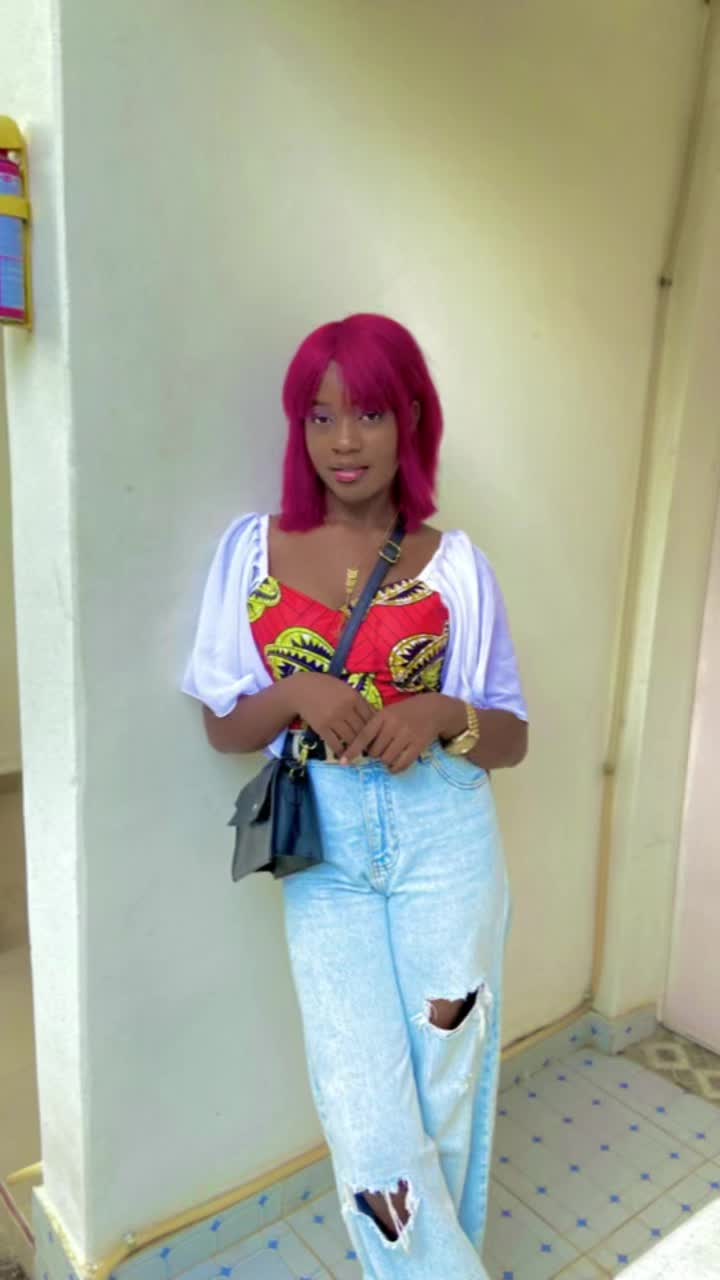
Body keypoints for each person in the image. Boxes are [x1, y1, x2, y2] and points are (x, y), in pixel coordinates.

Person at [183, 313, 528, 1279]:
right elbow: (222, 725)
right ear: (298, 426)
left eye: (369, 414)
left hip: (445, 834)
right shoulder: (252, 551)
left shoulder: (457, 566)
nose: (343, 441)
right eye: (320, 416)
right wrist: (297, 691)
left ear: (411, 419)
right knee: (365, 1101)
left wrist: (441, 713)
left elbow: (511, 738)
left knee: (449, 1082)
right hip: (325, 846)